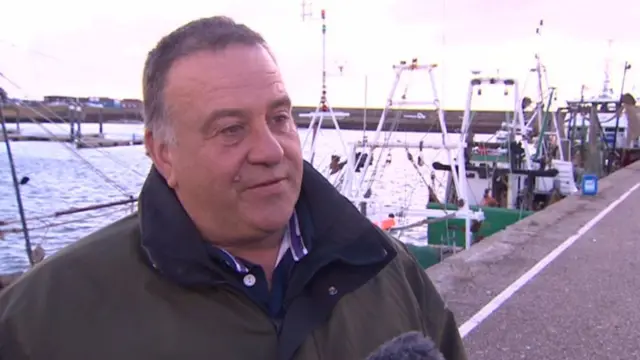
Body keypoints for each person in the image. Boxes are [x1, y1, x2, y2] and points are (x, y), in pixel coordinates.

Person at [0, 16, 467, 360]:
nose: (270, 150)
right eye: (230, 129)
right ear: (163, 152)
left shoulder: (388, 270)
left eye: (279, 118)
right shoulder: (43, 318)